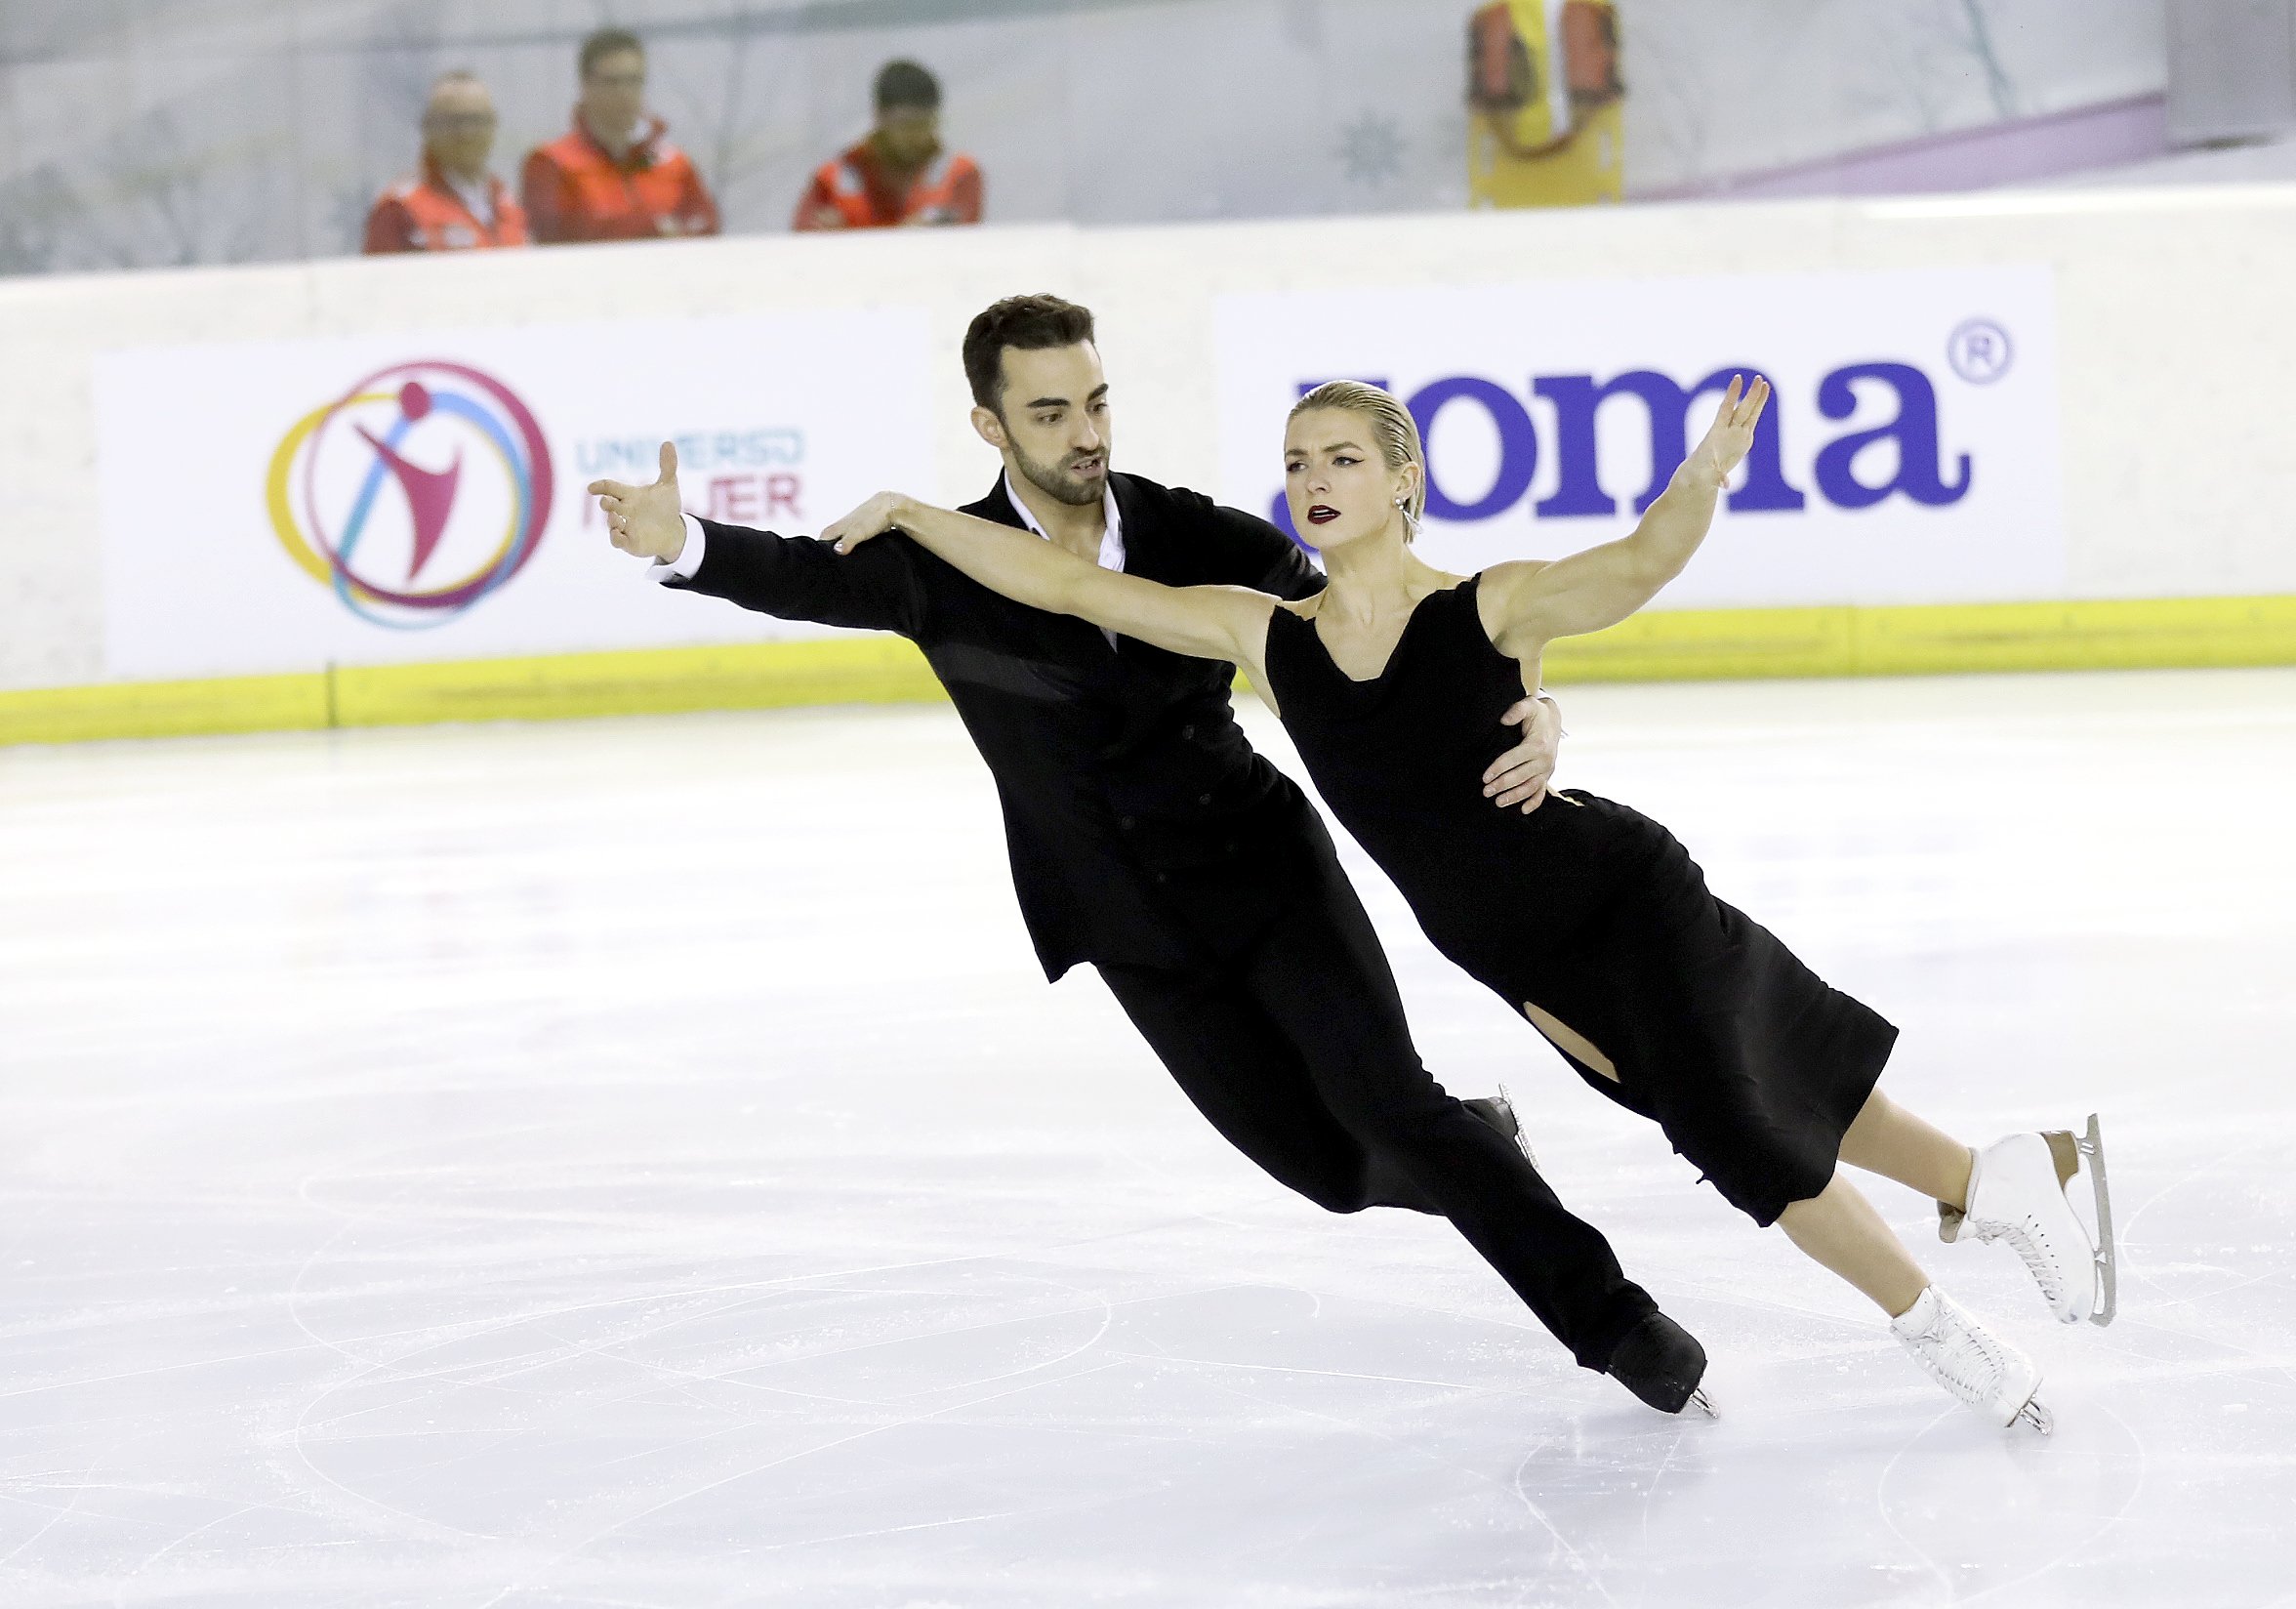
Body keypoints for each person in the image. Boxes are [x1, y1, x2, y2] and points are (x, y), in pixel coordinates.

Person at [815, 375, 2121, 1433]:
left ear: (1400, 483)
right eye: (1297, 461)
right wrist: (920, 516)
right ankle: (2005, 1179)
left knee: (1742, 1130)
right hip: (1521, 959)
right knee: (1807, 1091)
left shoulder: (1489, 602)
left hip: (1619, 894)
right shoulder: (1265, 633)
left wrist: (1703, 474)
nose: (1313, 482)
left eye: (1340, 459)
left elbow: (1638, 564)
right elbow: (1068, 583)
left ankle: (1943, 1336)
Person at [591, 295, 1715, 1416]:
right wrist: (678, 542)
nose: (1085, 432)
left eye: (1096, 401)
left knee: (1391, 1108)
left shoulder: (1201, 538)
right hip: (1123, 917)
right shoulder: (934, 561)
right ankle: (1476, 1147)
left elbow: (1409, 624)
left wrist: (1538, 704)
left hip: (1264, 867)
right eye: (1048, 412)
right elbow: (797, 571)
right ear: (991, 427)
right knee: (1329, 1171)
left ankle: (1618, 1325)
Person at [521, 27, 718, 245]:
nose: (625, 93)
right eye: (612, 82)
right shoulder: (551, 163)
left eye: (634, 81)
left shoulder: (674, 163)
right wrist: (654, 229)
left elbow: (707, 227)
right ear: (585, 85)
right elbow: (558, 236)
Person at [794, 60, 983, 230]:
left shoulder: (959, 175)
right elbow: (801, 243)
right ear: (879, 116)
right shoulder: (834, 179)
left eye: (926, 124)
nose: (918, 135)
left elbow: (967, 242)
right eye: (906, 125)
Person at [363, 71, 527, 254]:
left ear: (493, 125)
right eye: (454, 122)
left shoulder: (506, 202)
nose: (467, 133)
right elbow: (379, 280)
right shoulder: (401, 207)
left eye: (477, 120)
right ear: (428, 127)